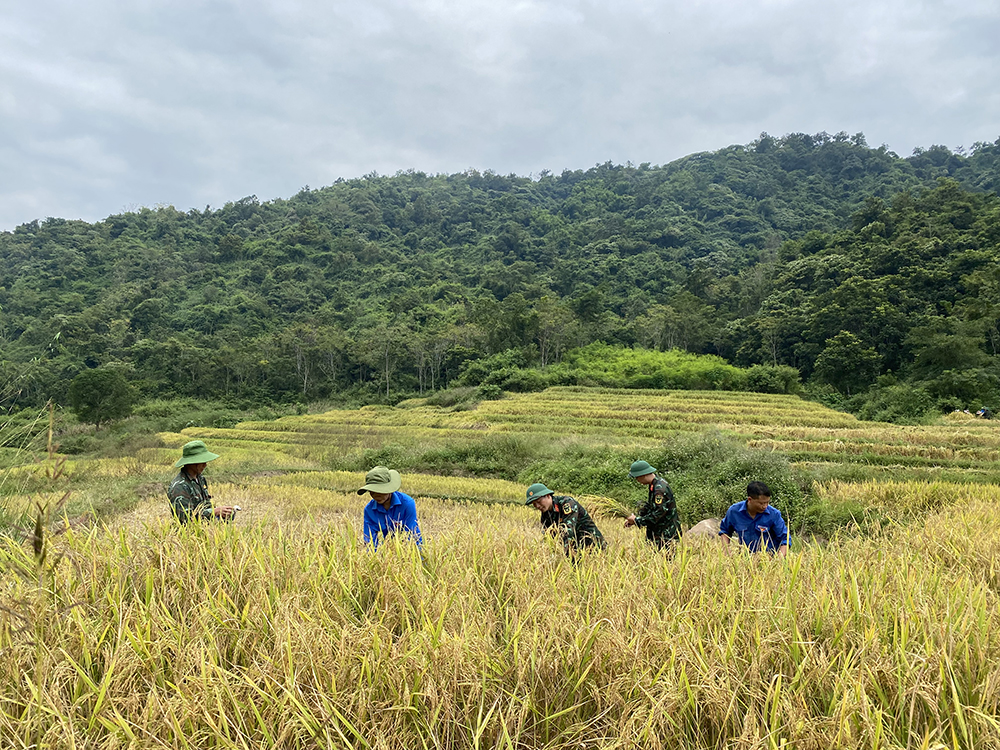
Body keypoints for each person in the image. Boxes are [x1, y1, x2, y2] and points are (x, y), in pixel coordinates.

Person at [525, 482, 606, 555]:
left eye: (539, 502)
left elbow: (568, 530)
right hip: (575, 550)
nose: (537, 506)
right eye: (534, 504)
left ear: (548, 496)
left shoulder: (567, 503)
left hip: (594, 547)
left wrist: (564, 553)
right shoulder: (545, 514)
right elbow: (549, 536)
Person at [167, 440, 236, 523]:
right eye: (202, 461)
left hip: (206, 528)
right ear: (191, 462)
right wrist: (213, 512)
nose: (205, 465)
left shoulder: (200, 479)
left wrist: (221, 513)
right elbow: (185, 518)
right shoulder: (179, 487)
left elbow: (205, 506)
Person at [358, 466, 422, 548]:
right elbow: (370, 541)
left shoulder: (407, 504)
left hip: (407, 548)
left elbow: (412, 534)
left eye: (381, 491)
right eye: (373, 491)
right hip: (386, 550)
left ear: (389, 489)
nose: (377, 495)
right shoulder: (369, 510)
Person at [624, 460, 682, 551]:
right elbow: (651, 506)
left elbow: (657, 514)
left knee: (666, 562)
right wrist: (636, 517)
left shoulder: (660, 489)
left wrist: (637, 521)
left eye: (637, 478)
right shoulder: (654, 485)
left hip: (665, 535)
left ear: (643, 475)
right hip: (657, 533)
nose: (637, 481)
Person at [719, 481, 788, 557]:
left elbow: (785, 539)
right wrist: (726, 551)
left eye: (767, 502)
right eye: (761, 503)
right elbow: (725, 531)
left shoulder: (774, 514)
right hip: (744, 559)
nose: (765, 506)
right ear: (750, 499)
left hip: (768, 560)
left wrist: (778, 559)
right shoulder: (734, 512)